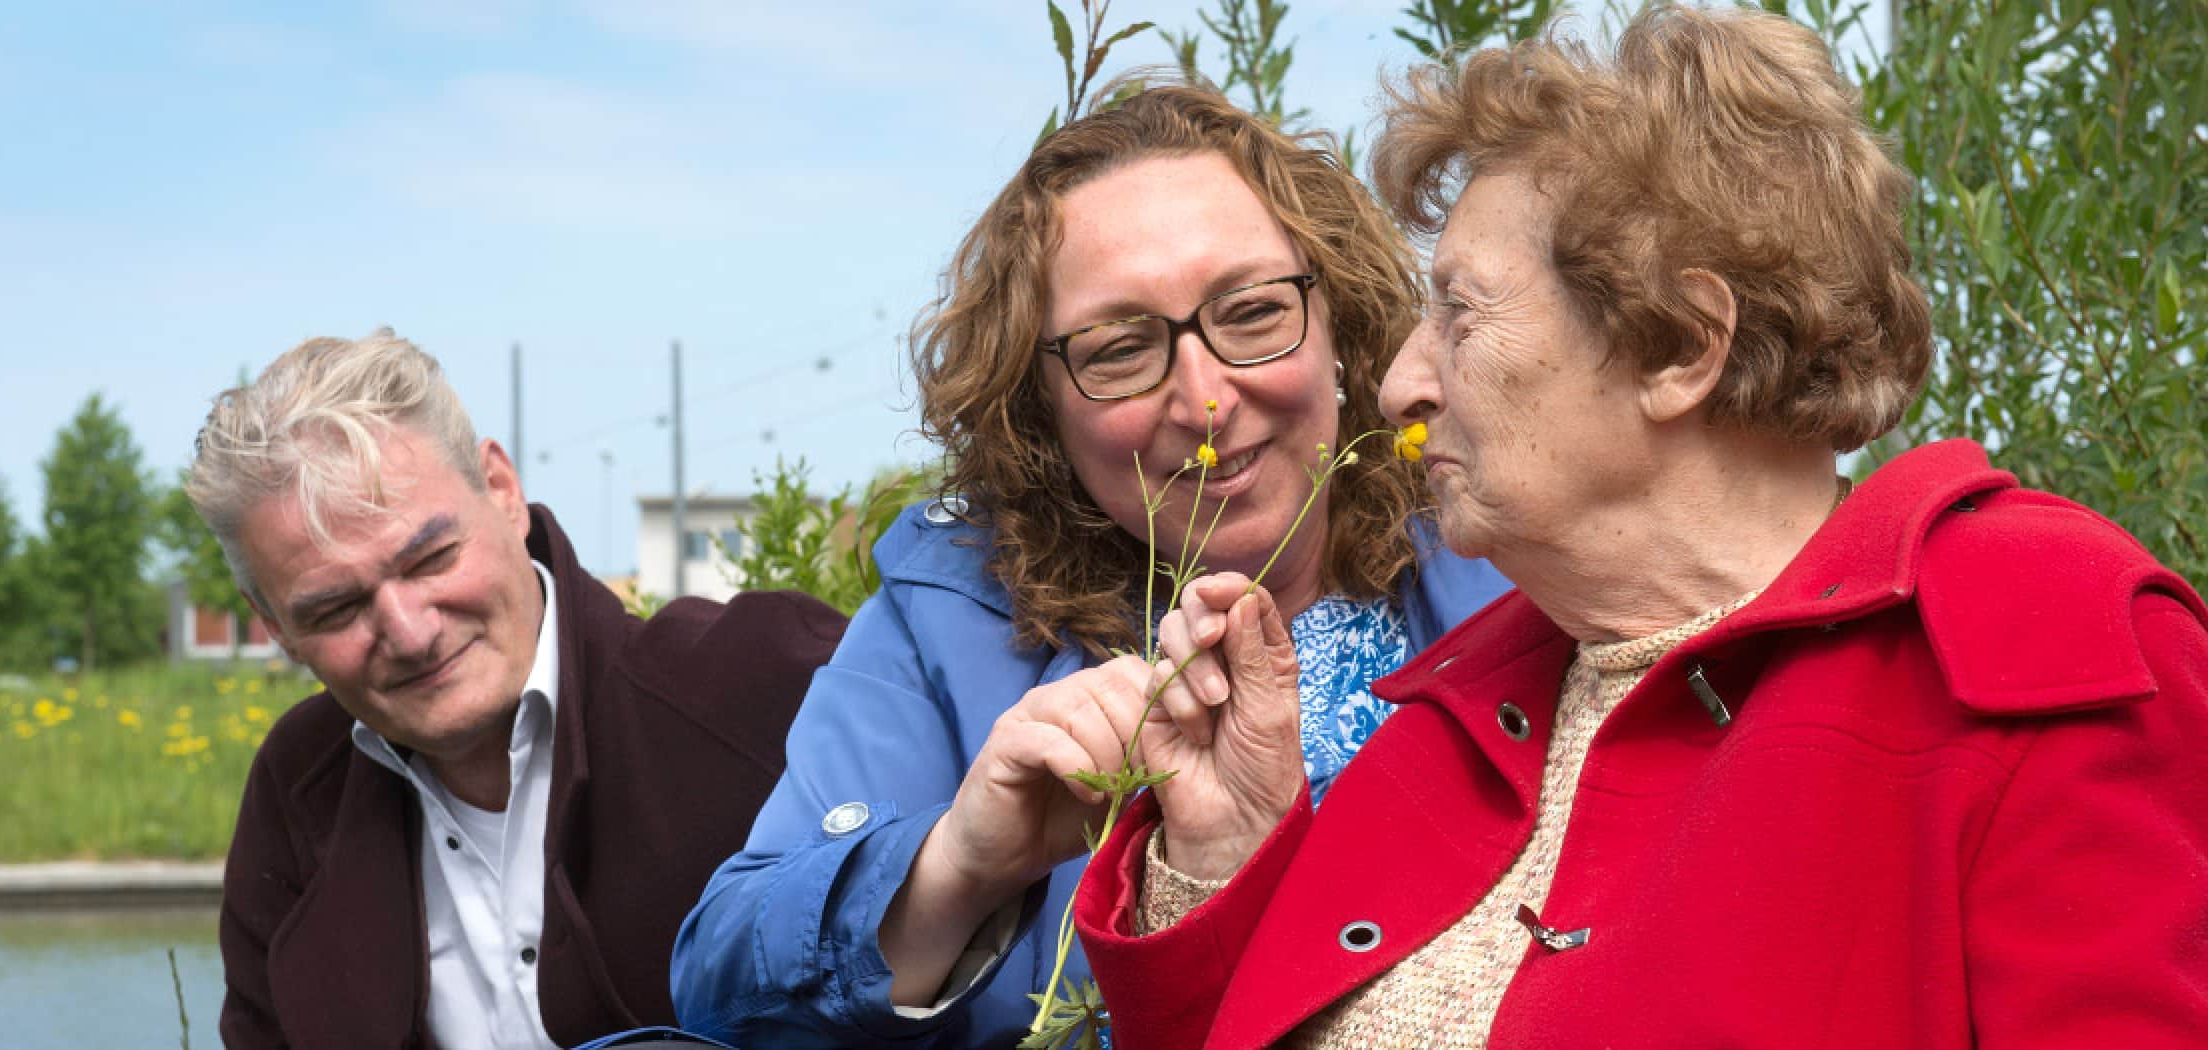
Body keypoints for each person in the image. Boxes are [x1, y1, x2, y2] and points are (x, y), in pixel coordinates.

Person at [1061, 6, 2208, 1047]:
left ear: (1676, 348)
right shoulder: (1440, 722)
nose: (1398, 383)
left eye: (1456, 311)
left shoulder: (2035, 639)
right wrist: (1221, 865)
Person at [670, 83, 1511, 1046]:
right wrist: (960, 864)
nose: (1204, 400)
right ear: (1041, 409)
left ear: (1339, 323)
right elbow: (719, 982)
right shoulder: (951, 620)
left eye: (1250, 312)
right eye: (1119, 351)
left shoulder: (1504, 553)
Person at [188, 331, 845, 1048]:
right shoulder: (295, 791)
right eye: (337, 609)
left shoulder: (769, 685)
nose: (409, 632)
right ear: (274, 626)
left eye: (431, 557)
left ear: (501, 491)